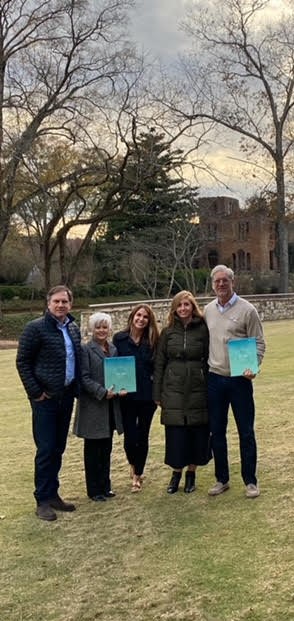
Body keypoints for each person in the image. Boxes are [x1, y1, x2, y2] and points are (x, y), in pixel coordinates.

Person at [16, 285, 81, 521]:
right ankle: (42, 500)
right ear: (48, 303)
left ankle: (53, 494)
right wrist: (35, 392)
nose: (61, 305)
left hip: (65, 398)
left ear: (70, 304)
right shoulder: (35, 328)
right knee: (45, 449)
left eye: (65, 301)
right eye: (57, 301)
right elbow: (23, 362)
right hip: (45, 399)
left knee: (58, 448)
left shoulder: (73, 328)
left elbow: (76, 360)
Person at [204, 265, 266, 498]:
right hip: (215, 378)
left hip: (240, 380)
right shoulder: (208, 310)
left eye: (225, 281)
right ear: (212, 285)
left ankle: (250, 481)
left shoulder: (247, 310)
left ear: (233, 282)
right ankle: (222, 479)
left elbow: (259, 343)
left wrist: (254, 366)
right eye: (217, 281)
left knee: (246, 431)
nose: (221, 284)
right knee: (217, 432)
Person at [153, 291, 211, 494]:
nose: (183, 308)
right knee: (176, 433)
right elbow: (159, 362)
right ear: (175, 309)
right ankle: (176, 473)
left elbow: (210, 356)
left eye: (187, 304)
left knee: (197, 431)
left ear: (192, 307)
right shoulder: (168, 332)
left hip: (197, 384)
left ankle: (191, 475)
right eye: (180, 305)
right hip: (173, 386)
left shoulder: (203, 329)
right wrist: (157, 392)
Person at [73, 312, 125, 502]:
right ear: (92, 329)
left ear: (109, 329)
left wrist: (121, 388)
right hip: (94, 406)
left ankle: (106, 485)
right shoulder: (85, 350)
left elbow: (119, 374)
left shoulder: (113, 349)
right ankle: (94, 490)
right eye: (98, 327)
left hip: (111, 408)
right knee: (93, 451)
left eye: (105, 327)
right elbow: (84, 378)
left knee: (106, 449)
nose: (102, 330)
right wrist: (102, 392)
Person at [113, 304, 159, 492]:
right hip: (126, 396)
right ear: (132, 317)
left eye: (145, 317)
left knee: (143, 436)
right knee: (130, 438)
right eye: (138, 315)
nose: (141, 319)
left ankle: (138, 475)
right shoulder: (119, 339)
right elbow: (114, 365)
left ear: (149, 321)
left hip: (147, 397)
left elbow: (157, 367)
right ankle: (133, 465)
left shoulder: (153, 341)